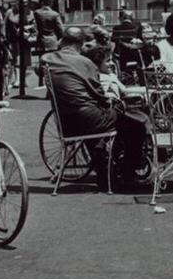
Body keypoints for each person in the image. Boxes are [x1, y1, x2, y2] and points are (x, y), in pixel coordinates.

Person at [43, 26, 149, 188]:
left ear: (62, 41)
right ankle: (127, 171)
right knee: (135, 123)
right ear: (81, 44)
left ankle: (105, 169)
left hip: (66, 121)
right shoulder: (86, 63)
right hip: (90, 120)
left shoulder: (46, 60)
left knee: (99, 118)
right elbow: (100, 96)